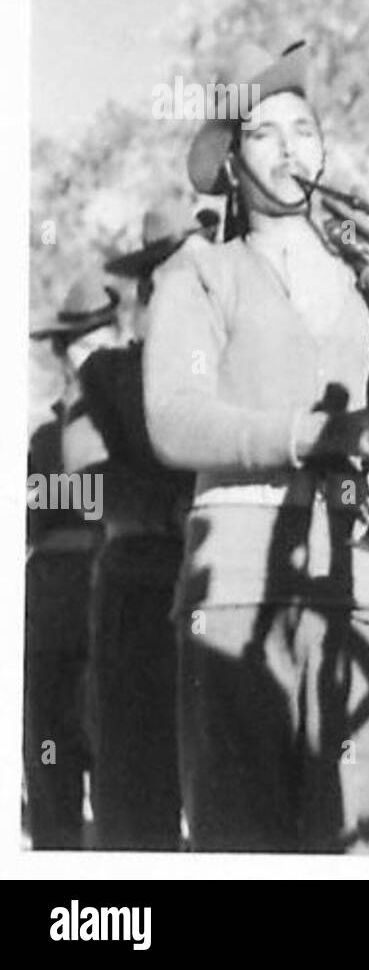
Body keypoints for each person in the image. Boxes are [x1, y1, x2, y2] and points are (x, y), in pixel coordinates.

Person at [144, 42, 369, 852]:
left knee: (353, 842)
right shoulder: (201, 273)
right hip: (233, 592)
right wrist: (324, 433)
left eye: (304, 129)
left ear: (325, 151)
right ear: (232, 166)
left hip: (361, 587)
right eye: (264, 135)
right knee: (240, 844)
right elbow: (173, 418)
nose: (291, 148)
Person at [75, 202, 214, 849]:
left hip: (225, 589)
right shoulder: (107, 375)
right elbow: (84, 482)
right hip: (143, 588)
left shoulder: (229, 364)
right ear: (153, 290)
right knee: (135, 791)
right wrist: (169, 510)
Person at [26, 277, 121, 848]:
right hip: (54, 618)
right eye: (78, 343)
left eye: (99, 339)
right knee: (52, 767)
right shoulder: (43, 436)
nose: (86, 355)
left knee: (124, 777)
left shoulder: (139, 424)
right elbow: (37, 516)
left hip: (119, 612)